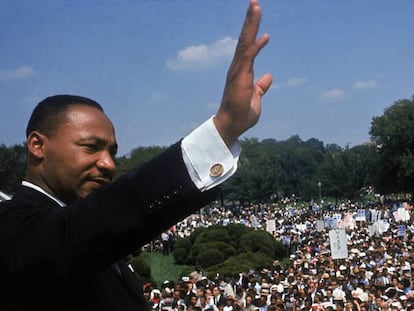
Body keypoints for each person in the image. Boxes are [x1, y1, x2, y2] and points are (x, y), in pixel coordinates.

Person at [0, 0, 272, 310]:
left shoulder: (96, 242)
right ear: (37, 146)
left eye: (112, 152)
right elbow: (96, 221)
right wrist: (223, 129)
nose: (108, 164)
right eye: (91, 147)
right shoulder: (14, 228)